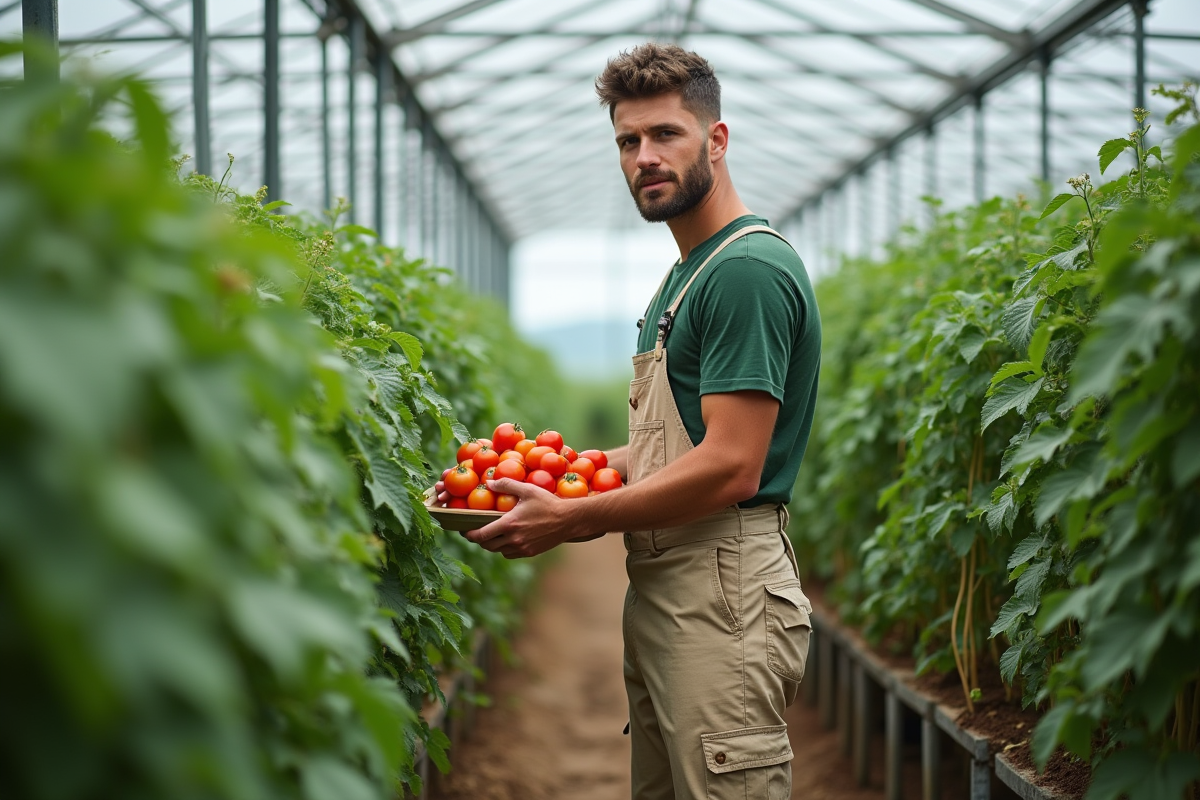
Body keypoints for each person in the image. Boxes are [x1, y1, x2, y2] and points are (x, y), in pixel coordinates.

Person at [460, 43, 822, 799]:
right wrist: (557, 472)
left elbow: (731, 465)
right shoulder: (687, 274)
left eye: (666, 135)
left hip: (724, 591)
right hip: (674, 587)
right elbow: (673, 443)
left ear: (716, 141)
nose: (644, 157)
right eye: (628, 141)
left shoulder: (745, 272)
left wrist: (579, 515)